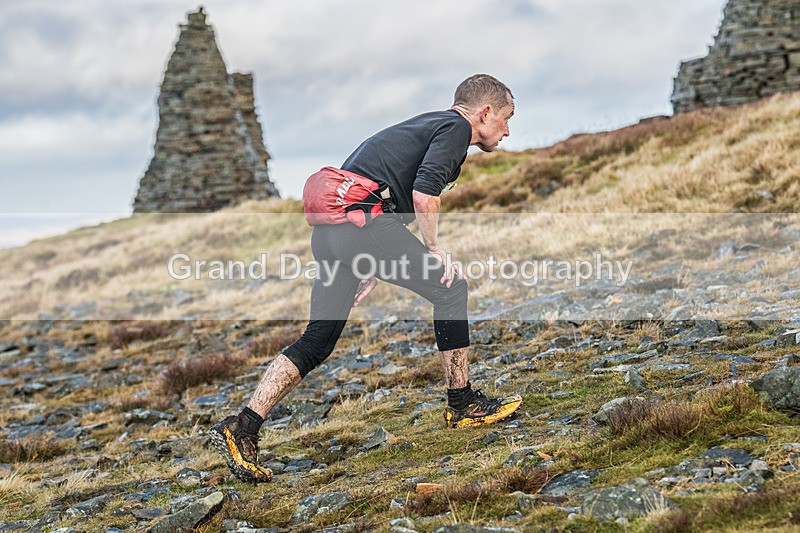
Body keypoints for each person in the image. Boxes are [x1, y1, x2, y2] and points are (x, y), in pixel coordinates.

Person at [211, 74, 522, 483]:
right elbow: (424, 193)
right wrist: (433, 248)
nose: (507, 130)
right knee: (451, 288)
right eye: (506, 118)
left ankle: (243, 426)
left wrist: (370, 259)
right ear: (484, 112)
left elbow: (370, 187)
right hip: (362, 231)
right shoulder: (455, 128)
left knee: (317, 340)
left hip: (331, 235)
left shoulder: (422, 125)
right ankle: (463, 403)